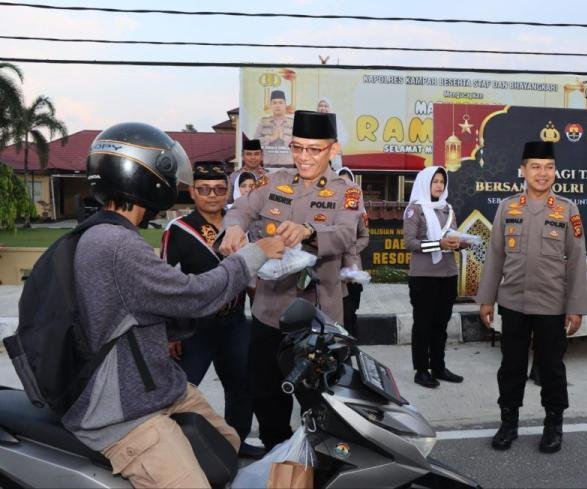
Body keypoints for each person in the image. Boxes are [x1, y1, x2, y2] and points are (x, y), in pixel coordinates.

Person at [61, 122, 284, 488]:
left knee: (227, 445)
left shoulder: (111, 234)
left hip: (158, 388)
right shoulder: (117, 245)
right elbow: (192, 295)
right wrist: (253, 256)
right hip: (125, 410)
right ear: (144, 178)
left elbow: (156, 306)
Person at [220, 110, 363, 451]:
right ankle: (277, 459)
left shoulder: (347, 191)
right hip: (270, 315)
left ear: (332, 149)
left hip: (318, 320)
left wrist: (309, 231)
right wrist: (236, 226)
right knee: (267, 399)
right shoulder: (272, 182)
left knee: (321, 405)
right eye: (298, 148)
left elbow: (345, 234)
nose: (304, 157)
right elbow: (239, 208)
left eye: (314, 149)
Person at [476, 141, 587, 454]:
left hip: (552, 305)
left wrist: (576, 307)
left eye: (549, 167)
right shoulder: (507, 207)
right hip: (513, 303)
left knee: (551, 368)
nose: (543, 173)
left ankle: (553, 424)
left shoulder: (568, 210)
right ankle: (508, 423)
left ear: (555, 172)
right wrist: (487, 298)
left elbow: (578, 259)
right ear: (523, 170)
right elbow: (495, 255)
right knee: (511, 367)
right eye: (536, 167)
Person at [161, 161, 264, 459]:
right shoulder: (178, 230)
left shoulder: (239, 227)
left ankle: (236, 443)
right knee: (181, 391)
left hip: (233, 322)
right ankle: (173, 450)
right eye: (204, 189)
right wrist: (170, 333)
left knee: (242, 386)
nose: (212, 195)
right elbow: (164, 285)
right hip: (194, 327)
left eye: (219, 189)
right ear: (193, 192)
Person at [403, 166, 465, 388]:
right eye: (435, 181)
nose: (439, 185)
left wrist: (461, 242)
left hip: (448, 274)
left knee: (441, 324)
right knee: (423, 325)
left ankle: (438, 367)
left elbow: (452, 236)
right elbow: (409, 243)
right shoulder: (415, 210)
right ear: (425, 183)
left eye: (442, 182)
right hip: (424, 276)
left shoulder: (447, 208)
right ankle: (421, 370)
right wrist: (438, 244)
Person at [337, 166, 369, 332]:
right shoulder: (328, 210)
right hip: (335, 270)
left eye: (348, 182)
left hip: (353, 270)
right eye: (341, 181)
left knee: (352, 309)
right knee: (341, 310)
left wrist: (353, 248)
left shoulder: (358, 212)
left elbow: (365, 237)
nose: (345, 186)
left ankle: (351, 346)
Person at [254, 90, 294, 168]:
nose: (277, 106)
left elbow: (298, 144)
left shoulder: (293, 123)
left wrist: (283, 138)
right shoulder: (263, 121)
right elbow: (255, 142)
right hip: (267, 166)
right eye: (274, 103)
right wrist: (271, 138)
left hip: (289, 167)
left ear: (285, 105)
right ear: (271, 105)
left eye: (280, 103)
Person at [229, 136, 267, 204]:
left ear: (262, 156)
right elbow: (229, 201)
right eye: (249, 154)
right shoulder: (234, 176)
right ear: (242, 156)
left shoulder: (270, 175)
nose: (253, 157)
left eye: (256, 154)